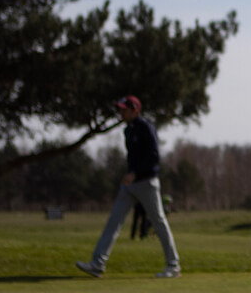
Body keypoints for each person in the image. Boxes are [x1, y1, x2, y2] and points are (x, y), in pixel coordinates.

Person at [76, 96, 182, 278]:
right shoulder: (128, 131)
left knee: (158, 223)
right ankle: (97, 264)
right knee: (113, 223)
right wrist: (129, 175)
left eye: (125, 109)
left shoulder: (146, 128)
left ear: (135, 110)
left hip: (147, 183)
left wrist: (135, 173)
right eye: (121, 109)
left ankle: (173, 266)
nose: (121, 112)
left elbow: (154, 157)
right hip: (130, 186)